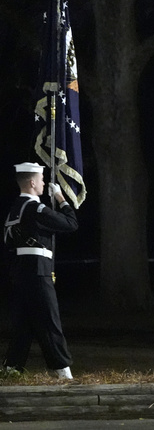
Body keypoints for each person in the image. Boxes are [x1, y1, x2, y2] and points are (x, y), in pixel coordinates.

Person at [2, 162, 78, 379]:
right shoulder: (35, 208)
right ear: (32, 182)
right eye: (42, 180)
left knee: (24, 325)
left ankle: (11, 368)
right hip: (38, 272)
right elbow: (71, 224)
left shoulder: (14, 209)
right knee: (50, 321)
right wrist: (61, 200)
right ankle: (62, 369)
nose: (45, 184)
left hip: (19, 272)